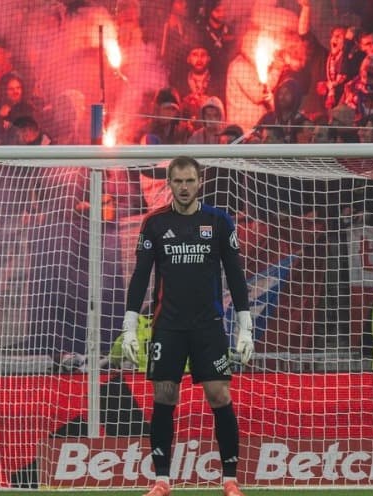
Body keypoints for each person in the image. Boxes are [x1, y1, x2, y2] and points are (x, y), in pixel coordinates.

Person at [120, 156, 253, 496]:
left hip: (208, 326)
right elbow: (140, 278)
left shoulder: (219, 222)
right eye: (177, 181)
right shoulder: (154, 224)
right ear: (169, 183)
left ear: (199, 183)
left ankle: (230, 480)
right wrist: (130, 326)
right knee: (164, 394)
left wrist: (245, 326)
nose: (183, 187)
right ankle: (162, 480)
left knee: (219, 394)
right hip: (169, 325)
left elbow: (236, 276)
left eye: (189, 181)